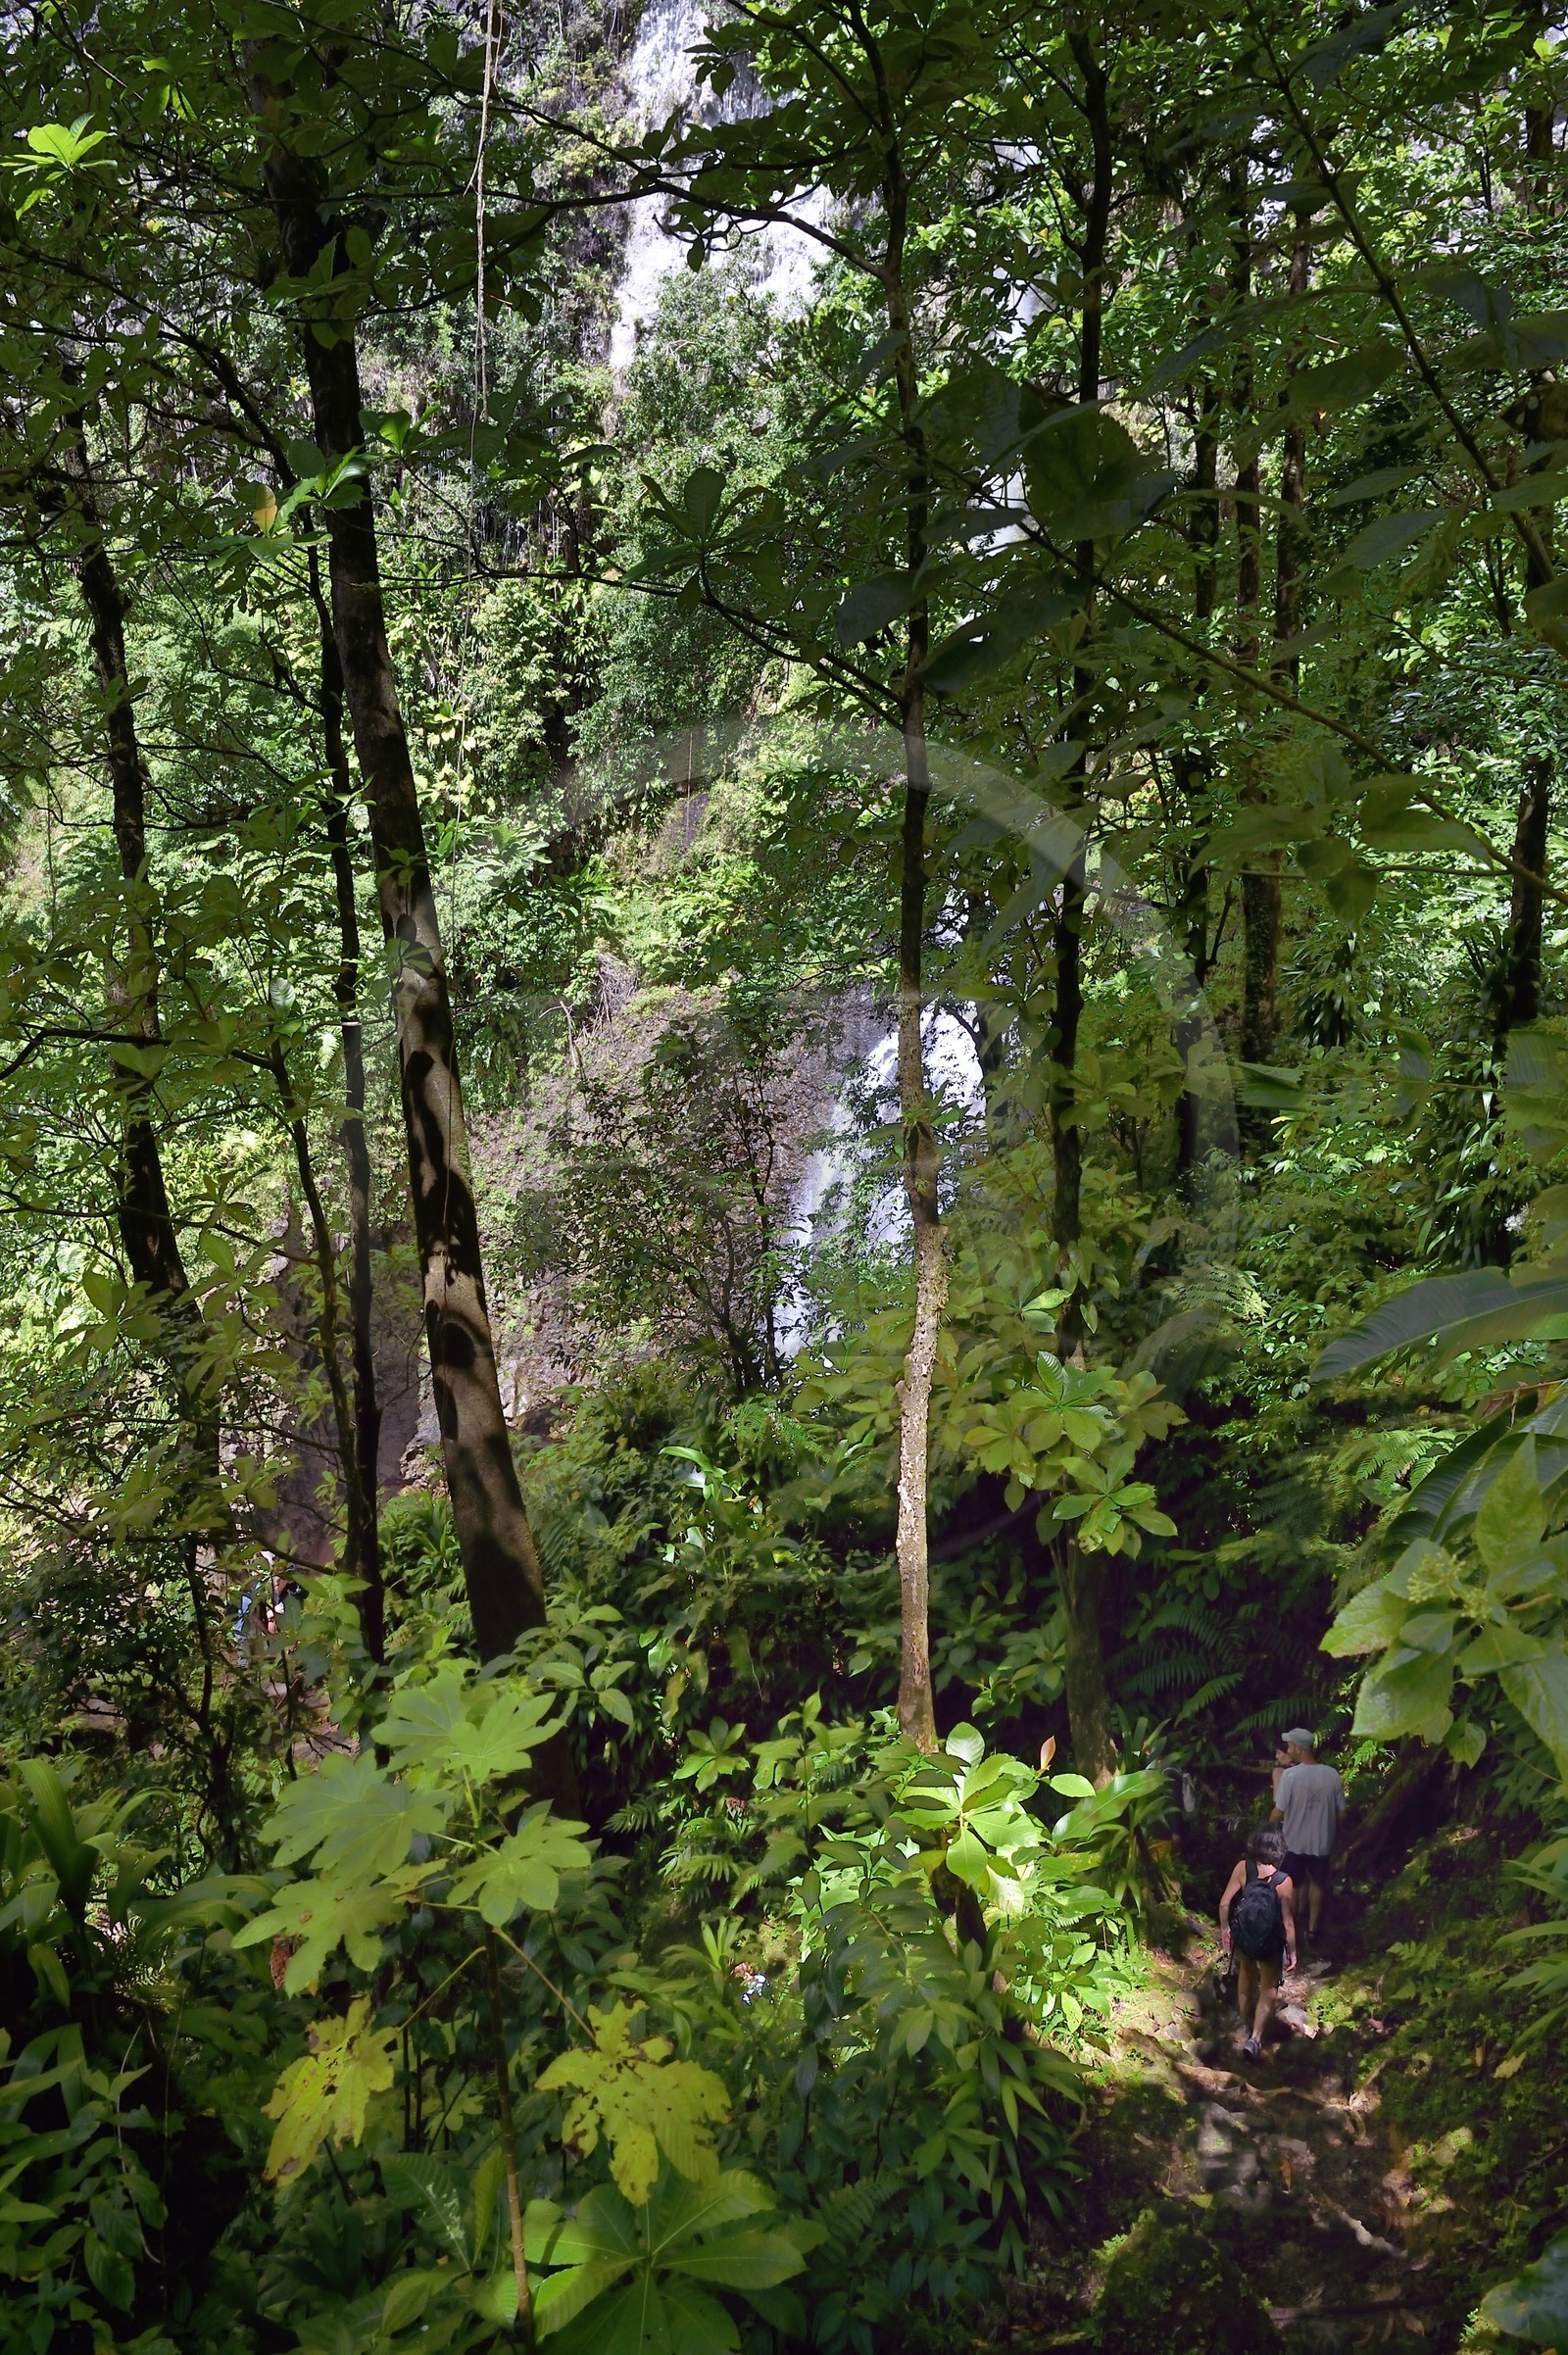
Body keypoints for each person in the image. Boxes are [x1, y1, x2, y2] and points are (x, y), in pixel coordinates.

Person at [1218, 1824, 1297, 2061]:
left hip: (1245, 1938)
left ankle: (1241, 2023)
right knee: (1269, 1987)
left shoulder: (1243, 1868)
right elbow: (1288, 1921)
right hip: (1270, 1943)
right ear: (1279, 1848)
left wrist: (1225, 1930)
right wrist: (1293, 1952)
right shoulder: (1284, 1881)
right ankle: (1255, 2038)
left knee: (1245, 1974)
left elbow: (1224, 1904)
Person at [1270, 1726, 1345, 1946]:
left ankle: (1290, 1929)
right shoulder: (1332, 1775)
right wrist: (1331, 1829)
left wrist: (1269, 1829)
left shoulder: (1291, 1776)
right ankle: (1312, 1930)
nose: (1289, 1749)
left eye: (1291, 1745)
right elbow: (1343, 1812)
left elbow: (1278, 1811)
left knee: (1290, 1885)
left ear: (1299, 1748)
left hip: (1294, 1842)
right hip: (1322, 1843)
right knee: (1317, 1884)